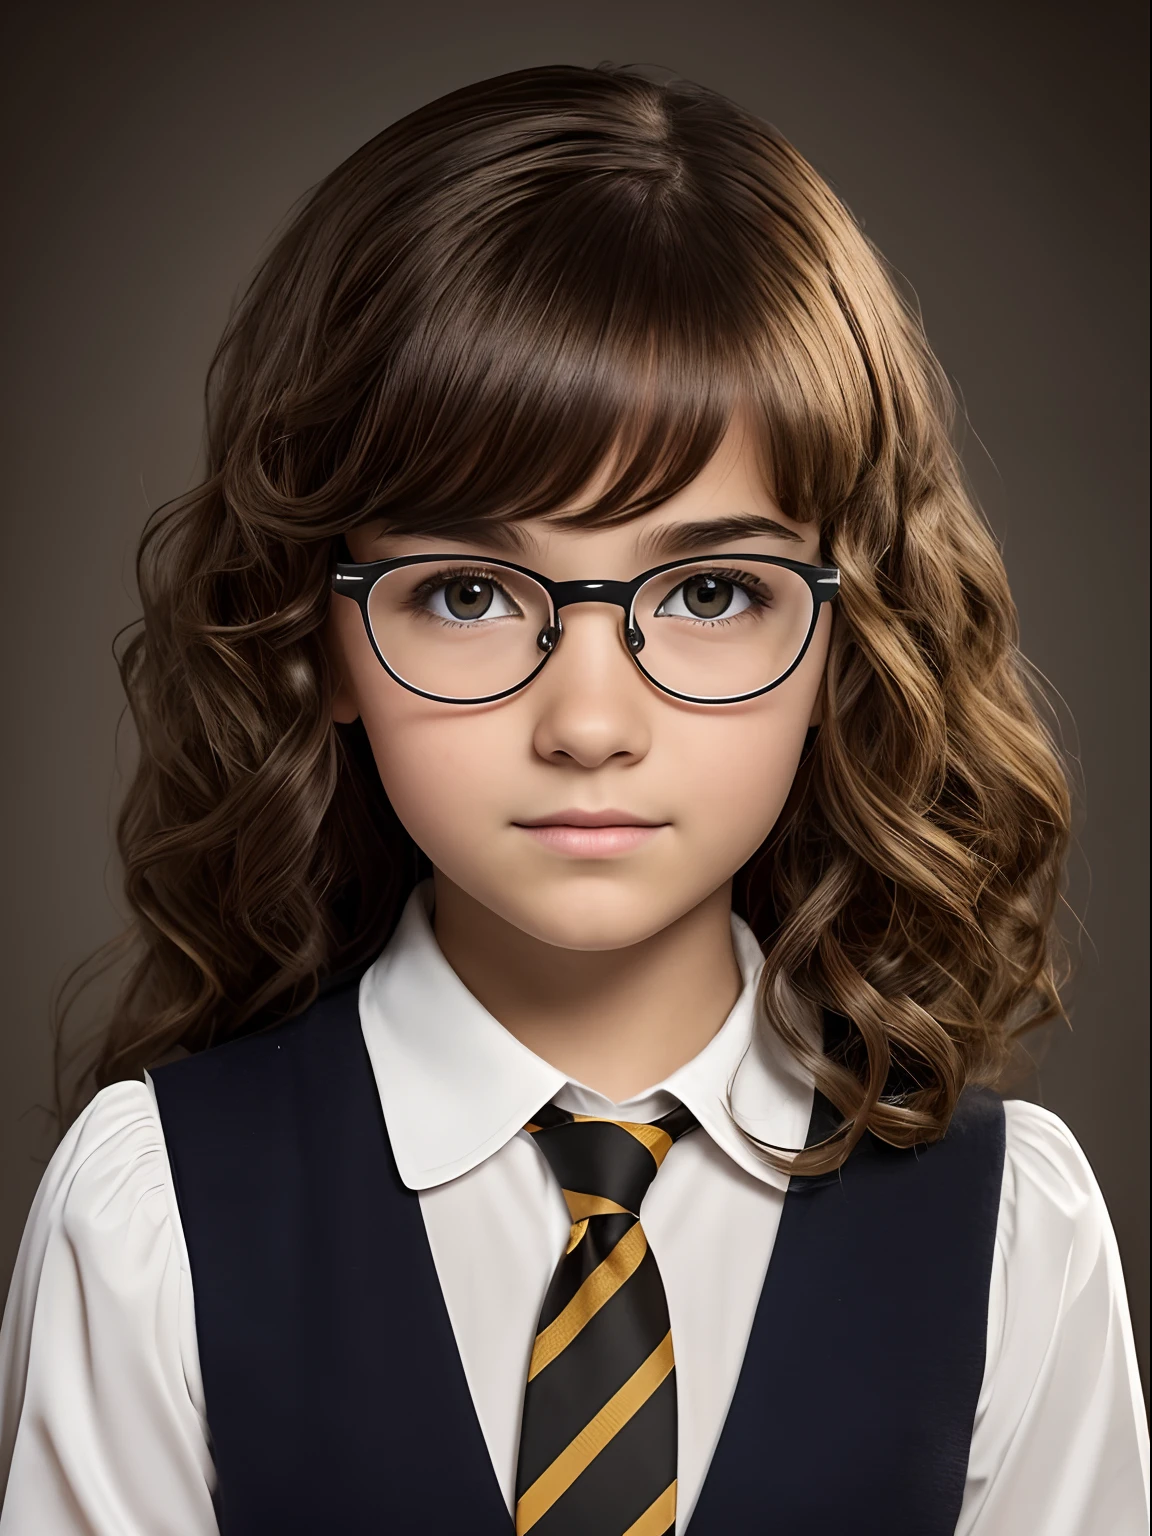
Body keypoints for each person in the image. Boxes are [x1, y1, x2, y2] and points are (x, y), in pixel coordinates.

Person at [0, 62, 1146, 1536]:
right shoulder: (149, 1212)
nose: (590, 723)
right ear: (322, 634)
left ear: (845, 632)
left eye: (714, 590)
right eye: (470, 591)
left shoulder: (1015, 1236)